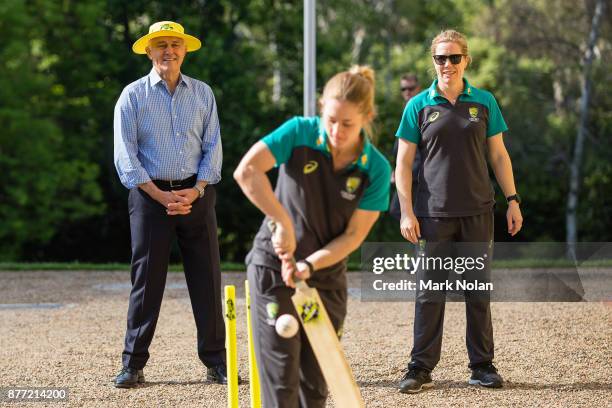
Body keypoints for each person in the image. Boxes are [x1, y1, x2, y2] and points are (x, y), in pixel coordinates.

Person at [234, 66, 391, 407]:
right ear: (321, 108)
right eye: (330, 119)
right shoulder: (298, 132)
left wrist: (308, 265)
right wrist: (282, 222)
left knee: (315, 387)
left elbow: (352, 237)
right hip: (273, 269)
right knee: (280, 383)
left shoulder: (375, 169)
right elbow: (246, 171)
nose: (336, 131)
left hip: (326, 276)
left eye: (348, 124)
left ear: (367, 117)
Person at [395, 29, 523, 393]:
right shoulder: (417, 105)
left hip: (478, 211)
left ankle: (482, 365)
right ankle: (419, 367)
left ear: (466, 59)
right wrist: (407, 211)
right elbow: (402, 164)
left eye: (454, 58)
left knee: (477, 290)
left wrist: (513, 200)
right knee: (429, 292)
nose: (447, 64)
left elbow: (498, 155)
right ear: (432, 61)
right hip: (432, 215)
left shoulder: (484, 101)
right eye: (440, 58)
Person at [113, 21, 228, 388]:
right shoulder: (132, 96)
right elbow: (126, 156)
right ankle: (133, 364)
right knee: (146, 282)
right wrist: (161, 195)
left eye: (175, 44)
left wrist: (195, 191)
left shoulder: (203, 93)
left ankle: (217, 362)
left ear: (185, 50)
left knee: (207, 279)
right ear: (149, 51)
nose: (168, 51)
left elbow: (213, 147)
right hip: (150, 198)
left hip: (197, 194)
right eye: (160, 45)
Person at [389, 73, 422, 220]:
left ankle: (421, 242)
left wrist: (405, 170)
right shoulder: (407, 109)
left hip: (418, 176)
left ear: (418, 88)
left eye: (410, 88)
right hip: (405, 173)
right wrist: (397, 169)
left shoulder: (423, 108)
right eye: (403, 89)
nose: (407, 92)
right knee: (399, 212)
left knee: (405, 213)